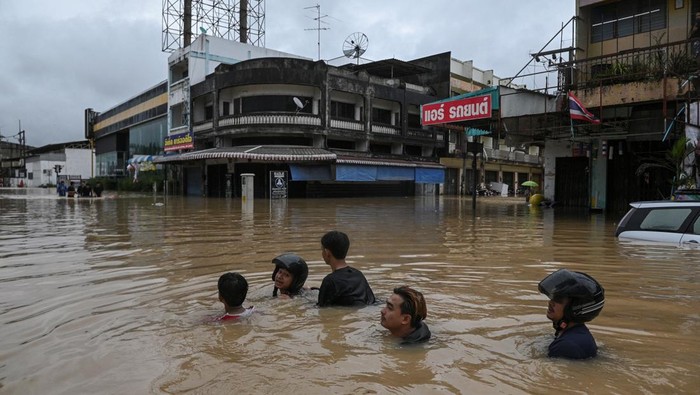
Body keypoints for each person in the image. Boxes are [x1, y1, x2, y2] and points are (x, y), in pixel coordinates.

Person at [538, 268, 605, 359]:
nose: (551, 302)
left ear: (575, 308)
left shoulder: (566, 346)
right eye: (553, 298)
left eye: (558, 300)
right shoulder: (578, 335)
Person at [317, 230, 376, 307]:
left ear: (327, 252)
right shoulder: (358, 274)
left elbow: (321, 309)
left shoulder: (330, 281)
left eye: (322, 250)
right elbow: (371, 301)